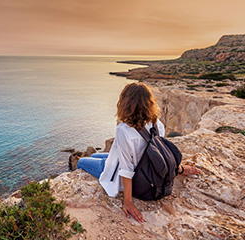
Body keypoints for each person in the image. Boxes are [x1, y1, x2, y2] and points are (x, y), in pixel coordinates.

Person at [78, 82, 202, 223]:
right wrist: (179, 169)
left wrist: (128, 201)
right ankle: (100, 161)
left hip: (134, 177)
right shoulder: (157, 124)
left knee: (82, 161)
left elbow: (127, 169)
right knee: (94, 155)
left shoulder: (124, 130)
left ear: (125, 103)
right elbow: (161, 153)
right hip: (146, 169)